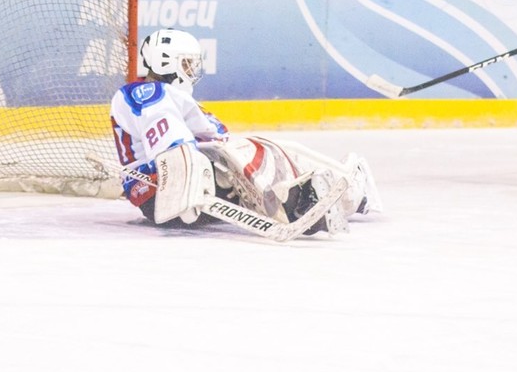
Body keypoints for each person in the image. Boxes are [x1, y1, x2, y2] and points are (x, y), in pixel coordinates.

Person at [109, 28, 377, 233]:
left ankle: (324, 197)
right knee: (250, 150)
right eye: (187, 63)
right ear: (166, 63)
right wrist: (189, 176)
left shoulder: (173, 98)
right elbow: (172, 146)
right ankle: (308, 199)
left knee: (263, 149)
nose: (192, 71)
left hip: (179, 194)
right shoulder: (146, 93)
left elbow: (216, 135)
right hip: (163, 192)